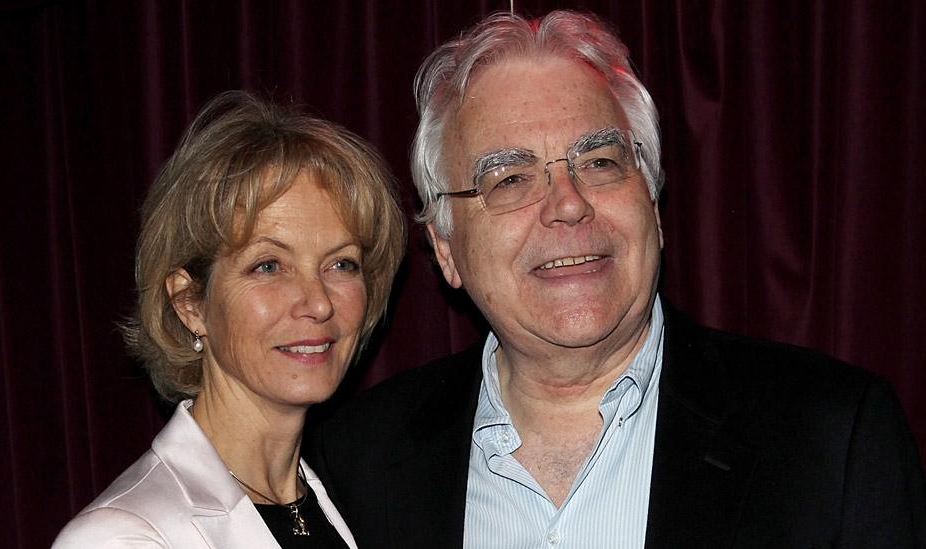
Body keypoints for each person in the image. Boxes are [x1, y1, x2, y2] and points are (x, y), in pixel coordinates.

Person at [307, 10, 926, 548]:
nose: (568, 204)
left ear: (653, 207)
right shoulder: (358, 464)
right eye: (511, 179)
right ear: (445, 248)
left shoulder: (832, 439)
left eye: (599, 162)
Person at [53, 91, 405, 548]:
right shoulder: (121, 536)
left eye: (341, 264)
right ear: (190, 303)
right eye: (268, 266)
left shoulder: (342, 505)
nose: (318, 303)